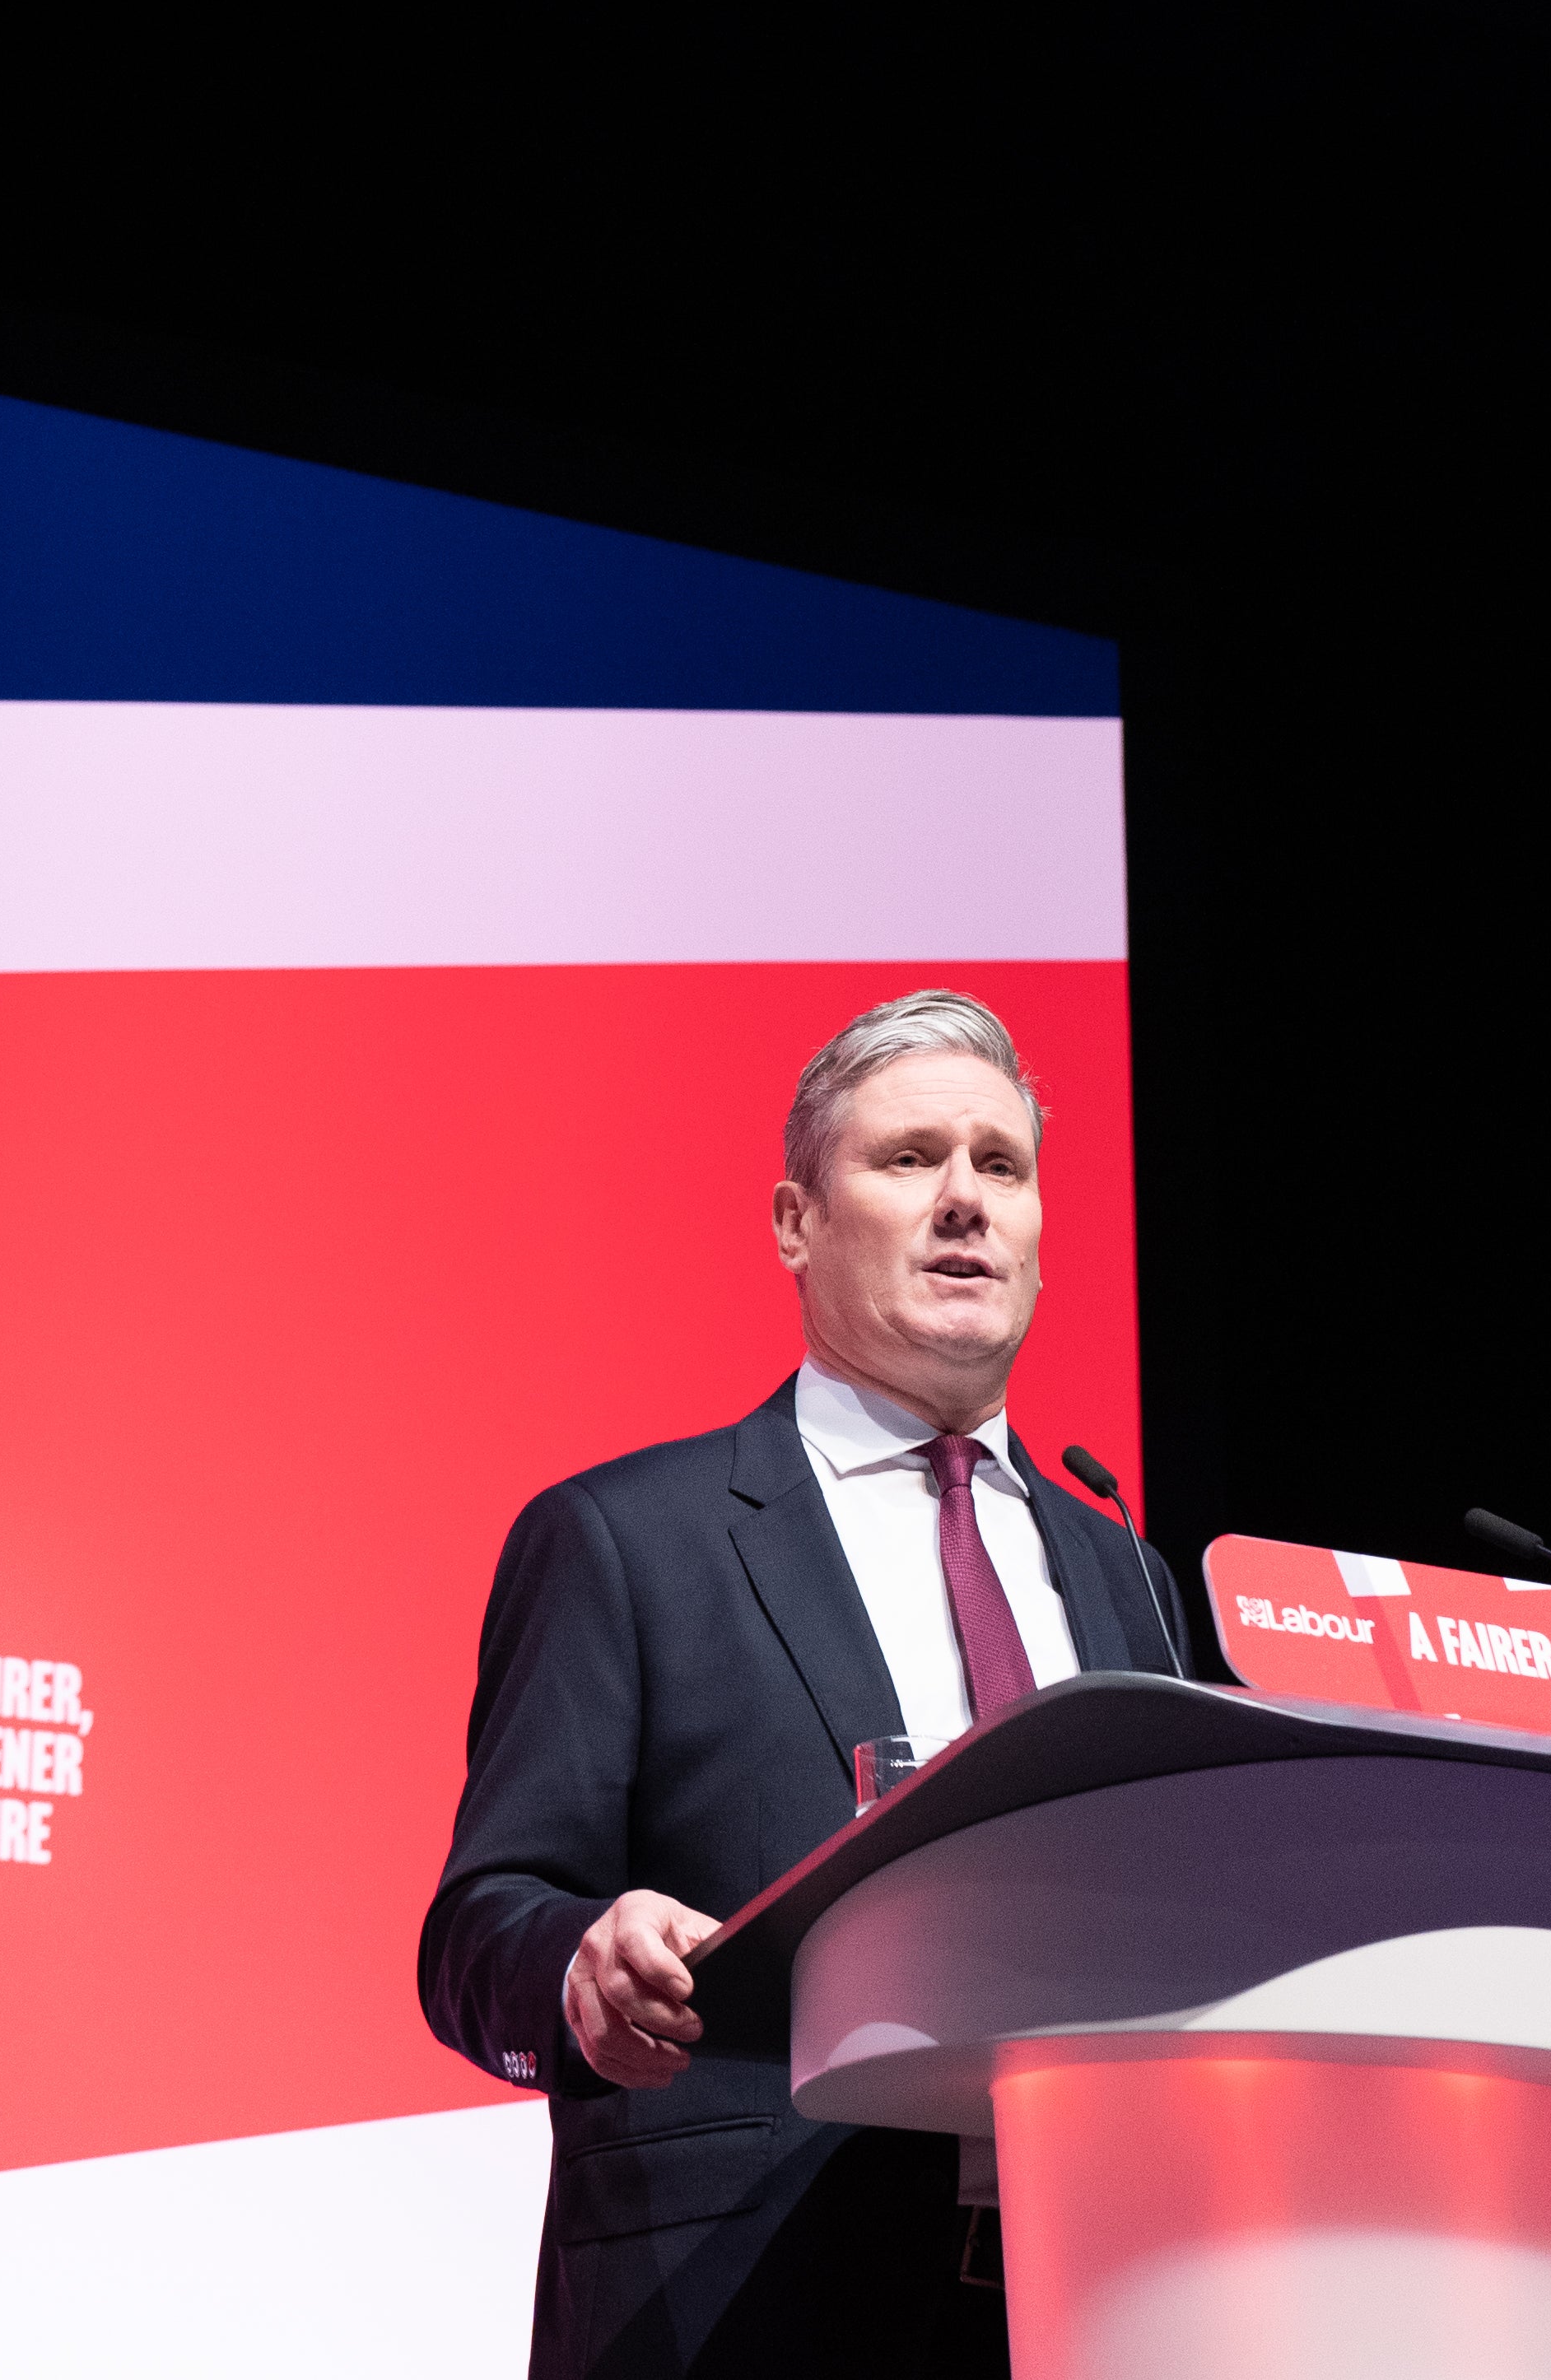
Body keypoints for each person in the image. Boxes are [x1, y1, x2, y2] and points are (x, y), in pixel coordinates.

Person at [417, 986, 1185, 2378]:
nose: (967, 1201)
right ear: (794, 1222)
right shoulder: (627, 1538)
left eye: (1000, 1165)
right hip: (750, 2308)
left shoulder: (1125, 1565)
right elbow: (478, 1933)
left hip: (1096, 2301)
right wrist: (584, 1965)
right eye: (909, 1160)